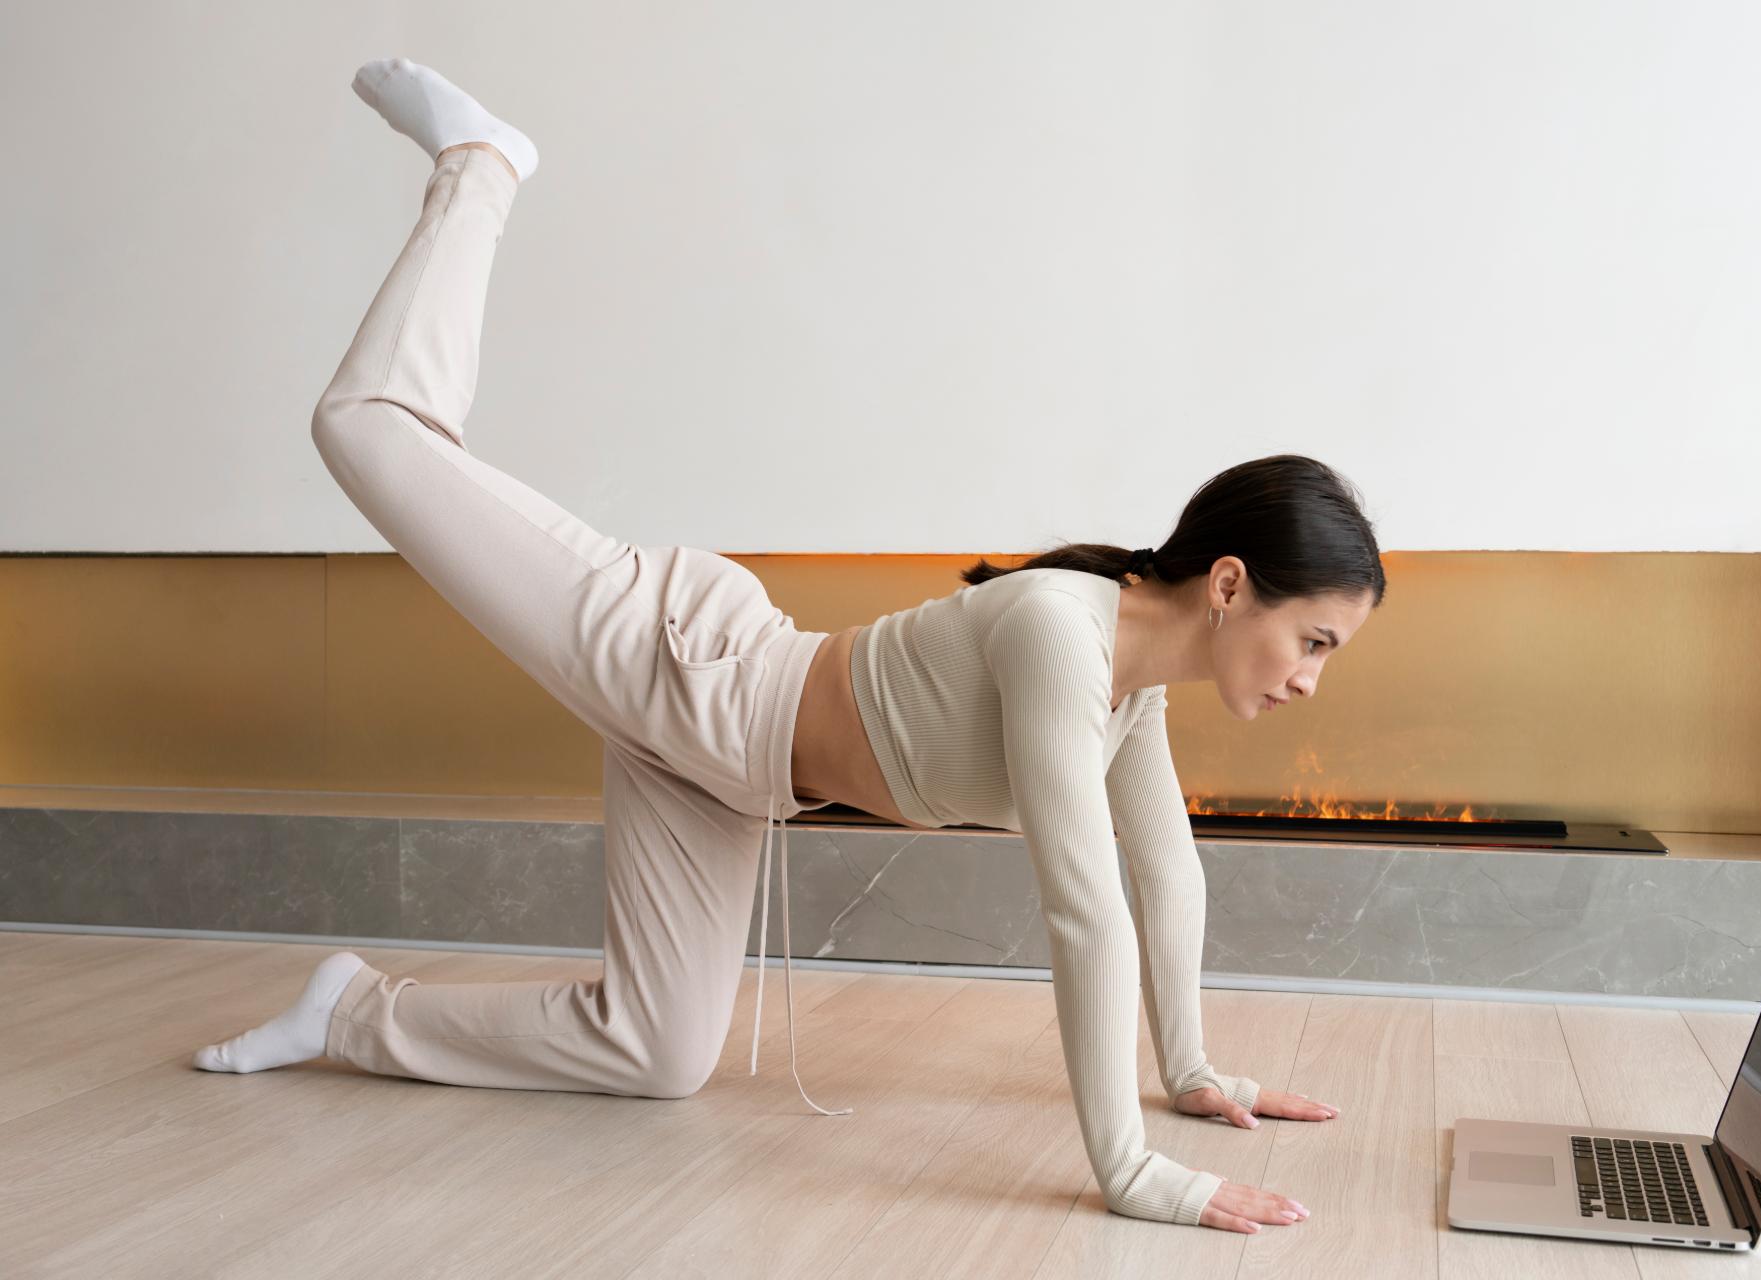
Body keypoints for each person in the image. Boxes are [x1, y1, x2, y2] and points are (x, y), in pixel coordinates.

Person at [192, 58, 1385, 1237]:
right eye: (1313, 637)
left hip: (730, 770)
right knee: (367, 428)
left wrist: (1192, 1070)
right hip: (686, 660)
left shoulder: (1132, 689)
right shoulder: (1056, 632)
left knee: (654, 1051)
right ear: (1232, 584)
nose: (1308, 677)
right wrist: (1130, 1170)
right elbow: (1085, 910)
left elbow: (1166, 877)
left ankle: (349, 1010)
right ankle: (482, 165)